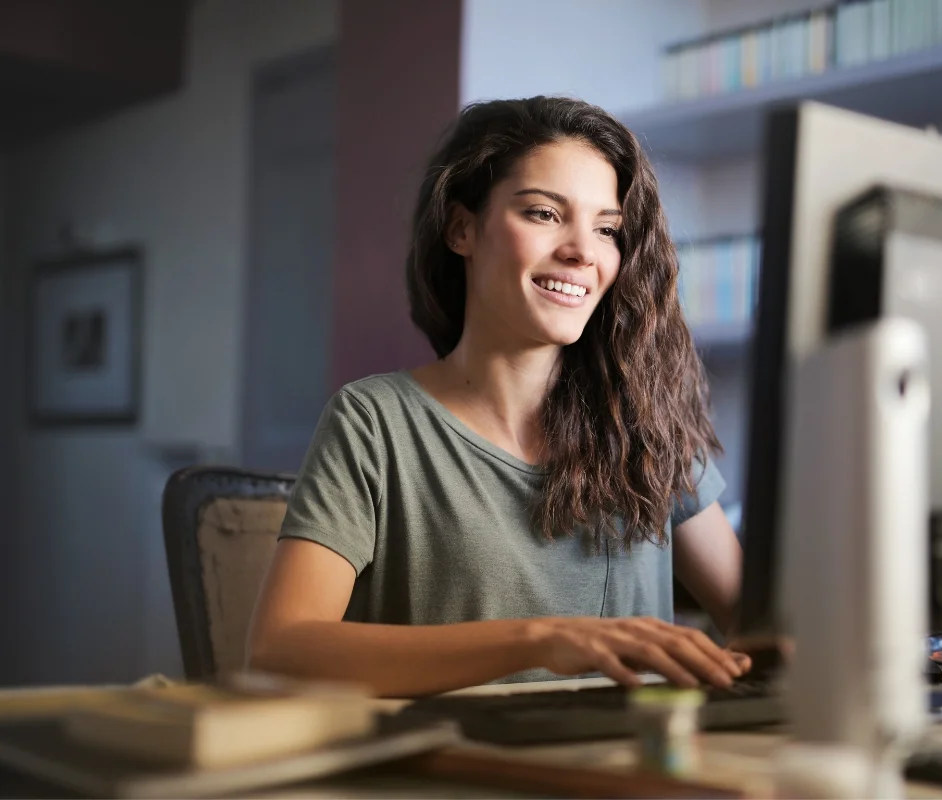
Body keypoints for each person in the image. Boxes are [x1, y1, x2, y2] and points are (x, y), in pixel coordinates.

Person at [246, 96, 749, 698]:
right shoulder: (373, 423)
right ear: (462, 229)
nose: (583, 251)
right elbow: (280, 649)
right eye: (544, 214)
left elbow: (763, 630)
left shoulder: (648, 425)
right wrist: (541, 639)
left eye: (607, 229)